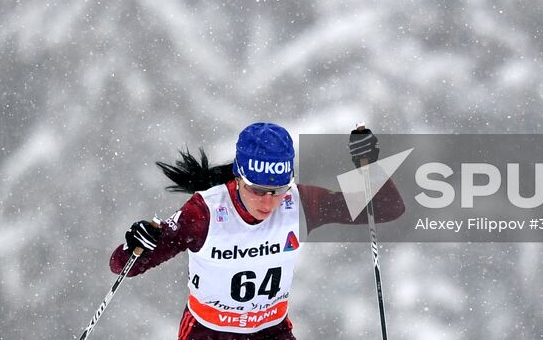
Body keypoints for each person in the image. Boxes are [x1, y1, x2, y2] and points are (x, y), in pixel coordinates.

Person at [110, 122, 405, 339]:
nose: (268, 202)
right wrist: (137, 242)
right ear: (239, 177)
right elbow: (123, 266)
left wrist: (370, 167)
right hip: (209, 333)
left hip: (271, 332)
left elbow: (388, 207)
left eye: (277, 190)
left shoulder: (298, 203)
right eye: (258, 190)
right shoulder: (205, 212)